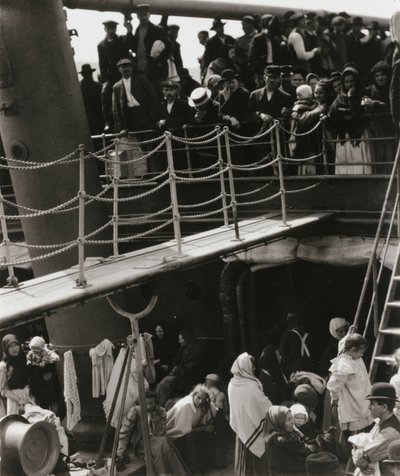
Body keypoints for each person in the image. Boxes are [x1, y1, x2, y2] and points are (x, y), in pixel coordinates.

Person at [116, 390, 189, 475]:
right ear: (141, 402)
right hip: (142, 443)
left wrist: (155, 419)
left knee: (162, 444)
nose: (149, 406)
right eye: (146, 404)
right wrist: (120, 452)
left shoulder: (161, 411)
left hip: (158, 441)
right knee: (164, 444)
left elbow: (160, 433)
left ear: (156, 402)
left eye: (151, 403)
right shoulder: (135, 411)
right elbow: (125, 431)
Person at [228, 352, 272, 475]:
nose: (253, 369)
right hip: (251, 427)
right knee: (257, 466)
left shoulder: (232, 383)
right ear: (245, 367)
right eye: (251, 366)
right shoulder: (251, 386)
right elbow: (263, 406)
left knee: (245, 464)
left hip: (242, 429)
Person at [327, 333, 373, 437]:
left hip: (361, 392)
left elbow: (344, 342)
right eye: (361, 352)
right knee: (354, 426)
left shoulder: (355, 357)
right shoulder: (344, 365)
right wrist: (334, 398)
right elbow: (334, 385)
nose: (362, 355)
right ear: (352, 350)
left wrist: (350, 333)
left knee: (364, 415)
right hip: (352, 399)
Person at [330, 67, 374, 175]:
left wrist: (351, 98)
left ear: (357, 81)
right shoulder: (340, 97)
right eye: (346, 82)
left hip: (359, 134)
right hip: (344, 135)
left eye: (352, 81)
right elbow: (332, 112)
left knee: (359, 160)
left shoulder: (363, 94)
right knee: (346, 162)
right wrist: (348, 111)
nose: (349, 84)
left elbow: (358, 113)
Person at [350, 383, 400, 475]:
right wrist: (358, 450)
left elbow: (361, 459)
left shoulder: (390, 432)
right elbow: (361, 447)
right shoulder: (380, 423)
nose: (369, 407)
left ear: (384, 407)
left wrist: (358, 453)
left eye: (372, 404)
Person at [166, 384, 218, 473]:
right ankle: (193, 469)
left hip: (187, 429)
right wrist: (204, 428)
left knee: (206, 435)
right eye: (198, 398)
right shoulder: (186, 405)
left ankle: (203, 465)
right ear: (193, 395)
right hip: (174, 432)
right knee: (191, 439)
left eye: (204, 399)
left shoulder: (199, 404)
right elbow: (184, 430)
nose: (201, 401)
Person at [125, 4, 171, 88]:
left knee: (156, 97)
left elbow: (170, 47)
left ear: (149, 15)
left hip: (155, 72)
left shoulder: (157, 29)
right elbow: (132, 47)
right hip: (140, 70)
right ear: (137, 16)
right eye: (141, 15)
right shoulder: (138, 30)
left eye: (145, 14)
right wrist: (129, 31)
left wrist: (159, 62)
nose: (143, 17)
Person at [264, 405, 319, 476]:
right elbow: (313, 450)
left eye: (292, 418)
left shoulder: (270, 435)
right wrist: (300, 434)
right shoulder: (286, 440)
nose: (293, 422)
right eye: (288, 419)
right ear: (279, 421)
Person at [97, 19, 131, 131]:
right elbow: (102, 64)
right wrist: (105, 80)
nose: (111, 30)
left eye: (113, 28)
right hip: (111, 78)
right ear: (105, 29)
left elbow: (129, 45)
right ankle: (110, 124)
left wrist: (129, 30)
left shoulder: (121, 40)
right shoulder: (101, 45)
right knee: (106, 98)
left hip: (123, 75)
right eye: (108, 28)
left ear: (115, 29)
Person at [112, 58, 158, 135]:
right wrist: (121, 128)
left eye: (128, 66)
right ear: (119, 69)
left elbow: (153, 99)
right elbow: (117, 109)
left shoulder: (141, 80)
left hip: (145, 114)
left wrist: (153, 118)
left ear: (132, 68)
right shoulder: (116, 87)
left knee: (149, 139)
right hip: (129, 118)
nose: (126, 69)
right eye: (123, 67)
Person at [366, 61, 396, 174]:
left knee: (390, 149)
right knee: (380, 150)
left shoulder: (393, 88)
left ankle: (391, 173)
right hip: (378, 127)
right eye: (377, 76)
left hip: (391, 125)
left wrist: (375, 104)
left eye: (382, 75)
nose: (380, 78)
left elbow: (394, 106)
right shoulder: (372, 89)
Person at [0, 334, 32, 415]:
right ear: (6, 349)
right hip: (14, 400)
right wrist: (19, 400)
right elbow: (4, 390)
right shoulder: (3, 366)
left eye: (16, 345)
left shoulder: (24, 359)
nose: (14, 349)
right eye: (10, 347)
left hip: (29, 395)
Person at [27, 336, 59, 412]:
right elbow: (29, 357)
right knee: (42, 402)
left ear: (41, 348)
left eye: (37, 348)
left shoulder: (44, 353)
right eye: (33, 348)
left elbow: (46, 357)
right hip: (37, 381)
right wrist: (29, 361)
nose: (35, 350)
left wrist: (43, 362)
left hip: (46, 379)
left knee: (51, 399)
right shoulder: (31, 353)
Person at [78, 64, 105, 136]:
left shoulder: (78, 87)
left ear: (82, 75)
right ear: (91, 73)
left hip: (84, 120)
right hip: (98, 119)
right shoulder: (98, 86)